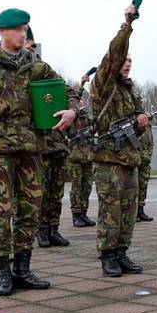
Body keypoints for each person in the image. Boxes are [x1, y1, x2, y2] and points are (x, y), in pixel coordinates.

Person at [0, 8, 77, 295]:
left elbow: (66, 89)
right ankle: (3, 273)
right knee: (0, 214)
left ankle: (22, 270)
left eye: (26, 29)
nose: (23, 35)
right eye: (18, 30)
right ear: (3, 32)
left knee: (30, 211)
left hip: (31, 150)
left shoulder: (35, 65)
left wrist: (72, 110)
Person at [90, 1, 148, 277]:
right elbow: (112, 55)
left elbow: (136, 123)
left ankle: (123, 251)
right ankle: (108, 254)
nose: (126, 66)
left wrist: (140, 123)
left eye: (130, 63)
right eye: (124, 62)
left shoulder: (130, 90)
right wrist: (127, 25)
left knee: (128, 207)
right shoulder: (103, 85)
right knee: (110, 208)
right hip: (108, 159)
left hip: (129, 157)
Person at [69, 76, 96, 228]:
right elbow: (75, 96)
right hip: (75, 157)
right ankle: (76, 215)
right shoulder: (72, 117)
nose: (80, 103)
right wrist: (82, 84)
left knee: (87, 186)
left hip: (87, 156)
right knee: (76, 187)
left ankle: (84, 213)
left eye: (81, 101)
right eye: (78, 101)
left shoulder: (87, 117)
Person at [136, 104, 154, 223]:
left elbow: (150, 142)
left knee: (143, 185)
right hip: (137, 158)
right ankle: (134, 212)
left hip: (146, 159)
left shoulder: (148, 125)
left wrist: (149, 154)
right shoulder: (136, 122)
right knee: (135, 187)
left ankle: (141, 209)